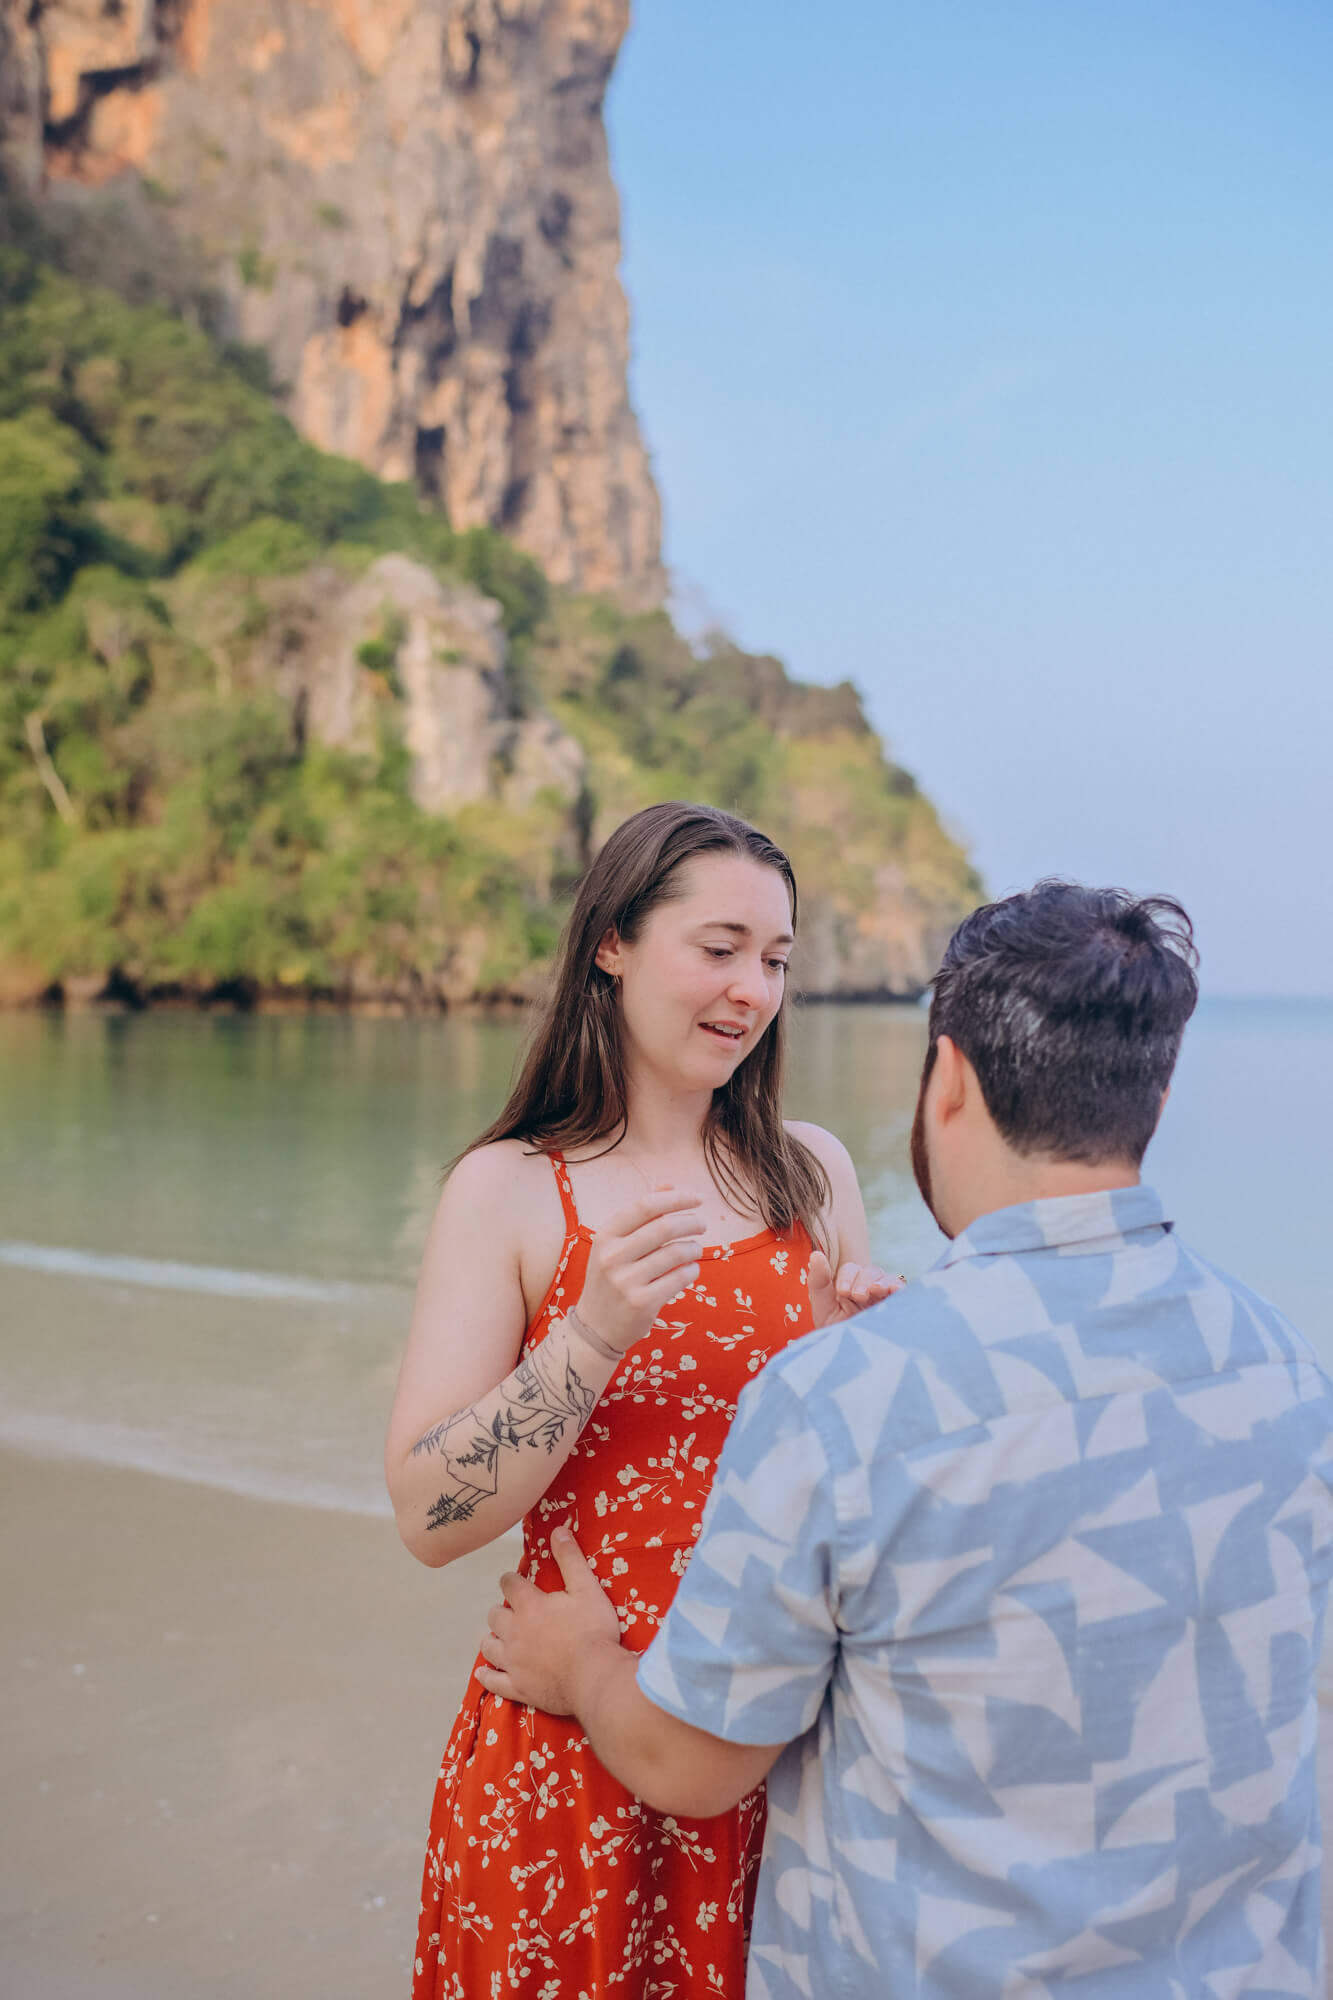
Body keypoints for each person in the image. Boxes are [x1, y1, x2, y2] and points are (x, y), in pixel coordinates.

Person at [479, 880, 1333, 1999]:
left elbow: (695, 1760)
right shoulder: (1282, 1369)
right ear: (1156, 1094)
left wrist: (580, 1661)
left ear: (948, 1080)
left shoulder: (844, 1393)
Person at [386, 801, 901, 1998]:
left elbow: (858, 1505)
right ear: (611, 941)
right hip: (565, 1747)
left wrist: (857, 1366)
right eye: (717, 948)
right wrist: (591, 1334)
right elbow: (428, 1516)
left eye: (775, 960)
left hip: (771, 1739)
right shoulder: (511, 1187)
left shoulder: (810, 1170)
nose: (751, 989)